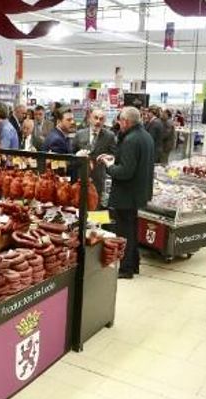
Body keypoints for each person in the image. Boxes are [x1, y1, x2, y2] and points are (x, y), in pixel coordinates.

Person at [101, 106, 154, 279]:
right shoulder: (145, 136)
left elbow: (125, 172)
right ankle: (134, 264)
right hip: (138, 192)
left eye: (120, 120)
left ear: (126, 121)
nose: (118, 123)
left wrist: (109, 166)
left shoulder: (131, 139)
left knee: (124, 232)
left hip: (126, 194)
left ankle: (126, 268)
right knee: (132, 230)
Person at [74, 108, 118, 209]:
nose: (98, 121)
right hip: (81, 177)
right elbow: (72, 154)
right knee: (79, 207)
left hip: (98, 178)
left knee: (95, 207)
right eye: (96, 118)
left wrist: (109, 157)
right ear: (90, 119)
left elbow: (115, 155)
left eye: (101, 119)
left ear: (104, 121)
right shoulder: (80, 134)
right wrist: (77, 155)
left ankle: (94, 225)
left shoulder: (109, 136)